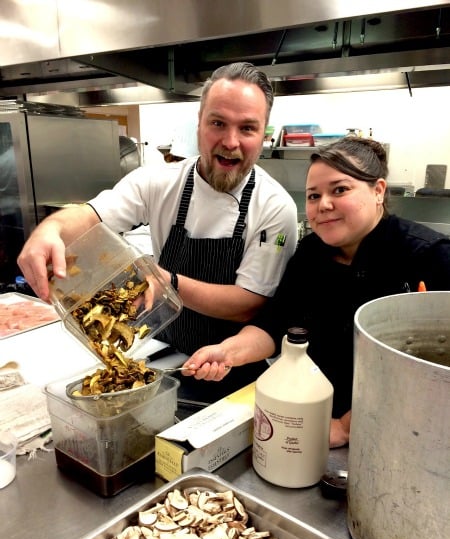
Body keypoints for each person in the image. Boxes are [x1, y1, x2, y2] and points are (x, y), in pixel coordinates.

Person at [17, 61, 298, 402]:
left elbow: (249, 304)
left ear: (265, 133)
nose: (230, 141)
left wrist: (168, 281)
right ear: (199, 124)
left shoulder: (275, 208)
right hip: (168, 357)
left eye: (247, 128)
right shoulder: (158, 182)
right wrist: (50, 229)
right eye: (218, 123)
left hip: (234, 369)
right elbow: (91, 215)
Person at [182, 137, 450, 447]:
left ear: (378, 191)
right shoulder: (312, 252)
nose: (323, 205)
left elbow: (430, 375)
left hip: (405, 431)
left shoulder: (430, 257)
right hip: (320, 417)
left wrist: (348, 427)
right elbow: (275, 322)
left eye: (339, 190)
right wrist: (228, 352)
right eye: (313, 195)